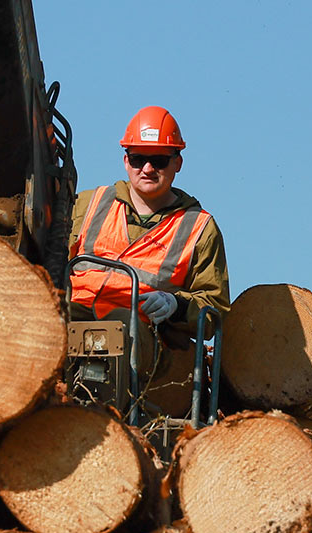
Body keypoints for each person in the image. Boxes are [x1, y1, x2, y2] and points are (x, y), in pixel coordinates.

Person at [68, 106, 229, 364]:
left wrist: (176, 305)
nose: (147, 168)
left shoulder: (199, 227)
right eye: (138, 159)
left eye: (159, 160)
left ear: (178, 163)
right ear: (125, 161)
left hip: (144, 338)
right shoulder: (89, 204)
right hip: (75, 314)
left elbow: (214, 310)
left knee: (117, 328)